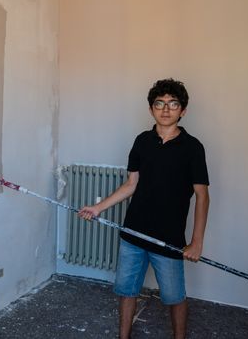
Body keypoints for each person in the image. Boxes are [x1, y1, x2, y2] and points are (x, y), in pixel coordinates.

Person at [78, 78, 210, 339]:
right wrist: (98, 207)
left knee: (174, 297)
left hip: (169, 240)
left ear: (182, 111)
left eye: (173, 104)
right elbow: (131, 184)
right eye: (159, 103)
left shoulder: (193, 148)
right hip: (133, 234)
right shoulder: (142, 141)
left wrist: (196, 243)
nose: (165, 109)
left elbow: (202, 196)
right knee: (126, 291)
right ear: (151, 109)